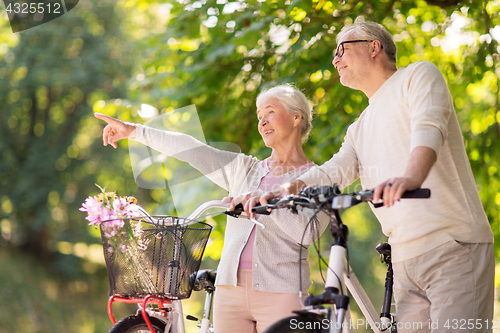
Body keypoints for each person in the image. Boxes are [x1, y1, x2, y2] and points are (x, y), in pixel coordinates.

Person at [247, 19, 495, 332]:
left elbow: (428, 127)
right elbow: (334, 170)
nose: (335, 59)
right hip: (404, 258)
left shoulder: (417, 75)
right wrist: (286, 189)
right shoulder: (359, 127)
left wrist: (411, 177)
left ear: (374, 47)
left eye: (341, 49)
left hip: (452, 245)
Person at [94, 84, 329, 333]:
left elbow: (308, 233)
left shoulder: (318, 178)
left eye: (270, 112)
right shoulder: (245, 169)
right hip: (230, 293)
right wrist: (134, 131)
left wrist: (267, 202)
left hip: (283, 292)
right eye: (260, 116)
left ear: (296, 117)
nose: (262, 122)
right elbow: (191, 149)